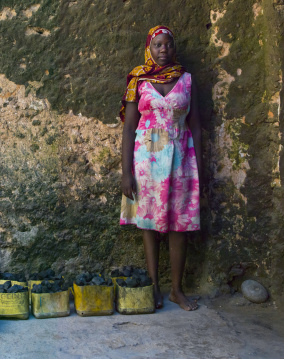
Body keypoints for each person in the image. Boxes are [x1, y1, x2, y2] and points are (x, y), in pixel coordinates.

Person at [119, 26, 202, 311]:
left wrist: (199, 166)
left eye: (168, 45)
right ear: (149, 49)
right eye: (158, 45)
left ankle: (176, 290)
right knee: (149, 224)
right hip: (147, 157)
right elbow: (129, 128)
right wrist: (126, 171)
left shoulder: (187, 80)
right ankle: (154, 287)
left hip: (181, 157)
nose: (163, 50)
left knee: (180, 224)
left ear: (174, 48)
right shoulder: (138, 80)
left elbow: (195, 126)